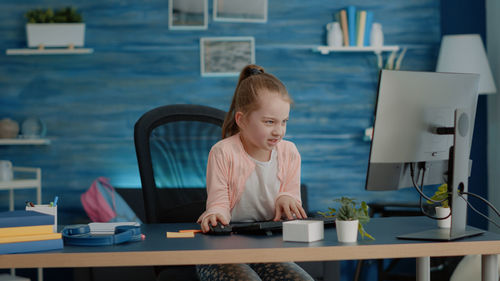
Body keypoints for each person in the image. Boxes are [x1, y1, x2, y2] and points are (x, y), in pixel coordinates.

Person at [196, 64, 314, 281]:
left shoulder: (289, 152)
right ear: (241, 120)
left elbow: (290, 194)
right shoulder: (222, 152)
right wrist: (216, 215)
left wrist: (287, 198)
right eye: (269, 122)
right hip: (221, 249)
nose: (278, 131)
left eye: (284, 122)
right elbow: (219, 203)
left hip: (266, 248)